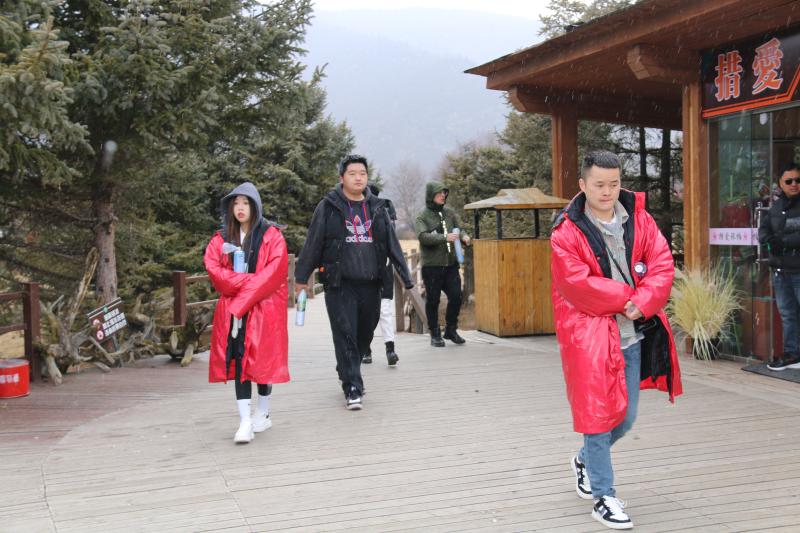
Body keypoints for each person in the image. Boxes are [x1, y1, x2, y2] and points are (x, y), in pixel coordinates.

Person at [550, 151, 682, 530]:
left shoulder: (639, 218)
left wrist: (645, 301)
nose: (607, 191)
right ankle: (603, 497)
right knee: (597, 416)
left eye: (613, 183)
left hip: (631, 334)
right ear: (583, 185)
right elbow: (576, 284)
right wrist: (630, 299)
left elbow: (661, 263)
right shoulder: (566, 232)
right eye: (598, 185)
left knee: (625, 418)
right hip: (589, 336)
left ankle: (585, 460)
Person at [295, 155, 413, 410]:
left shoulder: (378, 208)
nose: (358, 178)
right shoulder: (328, 207)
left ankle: (347, 368)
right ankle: (352, 387)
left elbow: (392, 243)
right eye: (352, 173)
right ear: (342, 178)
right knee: (345, 333)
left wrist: (406, 277)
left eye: (362, 173)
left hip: (371, 282)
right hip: (340, 284)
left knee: (365, 333)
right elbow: (313, 242)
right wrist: (301, 277)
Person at [204, 182, 290, 444]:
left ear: (255, 206)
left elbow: (273, 274)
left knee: (262, 361)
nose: (240, 208)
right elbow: (215, 271)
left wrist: (241, 292)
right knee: (239, 359)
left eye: (245, 203)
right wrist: (247, 283)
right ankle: (245, 421)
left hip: (263, 310)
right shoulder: (222, 238)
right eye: (236, 203)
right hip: (234, 313)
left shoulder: (272, 236)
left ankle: (262, 411)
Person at [415, 181, 470, 347]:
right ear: (431, 195)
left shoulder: (450, 213)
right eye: (439, 193)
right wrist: (444, 237)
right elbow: (423, 237)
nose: (443, 196)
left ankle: (451, 330)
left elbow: (459, 229)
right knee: (433, 300)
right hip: (432, 267)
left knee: (456, 296)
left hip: (451, 265)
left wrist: (464, 236)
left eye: (444, 193)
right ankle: (435, 333)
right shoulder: (422, 216)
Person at [760, 162, 800, 371]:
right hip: (781, 272)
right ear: (781, 184)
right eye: (789, 181)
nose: (794, 184)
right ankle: (793, 353)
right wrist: (769, 241)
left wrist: (782, 242)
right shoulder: (775, 208)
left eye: (798, 180)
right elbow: (763, 231)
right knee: (787, 314)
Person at [362, 184, 401, 366]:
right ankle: (366, 349)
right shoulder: (357, 214)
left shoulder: (385, 211)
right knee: (366, 313)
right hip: (363, 272)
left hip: (384, 269)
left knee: (385, 311)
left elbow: (393, 244)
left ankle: (390, 349)